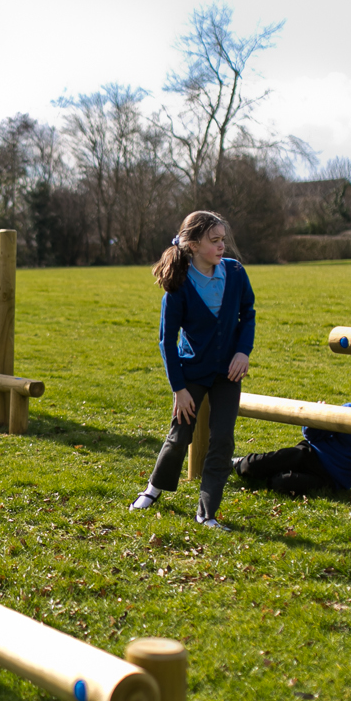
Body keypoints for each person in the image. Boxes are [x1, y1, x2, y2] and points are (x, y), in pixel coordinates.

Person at [129, 211, 255, 530]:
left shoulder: (236, 273)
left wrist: (243, 351)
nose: (222, 246)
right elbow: (166, 340)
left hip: (229, 373)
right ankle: (153, 490)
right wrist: (179, 388)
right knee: (180, 433)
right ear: (194, 244)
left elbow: (247, 314)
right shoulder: (179, 285)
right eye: (215, 241)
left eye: (223, 239)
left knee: (223, 439)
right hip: (191, 373)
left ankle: (207, 512)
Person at [235, 382, 351, 496]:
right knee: (252, 466)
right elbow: (312, 436)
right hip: (310, 454)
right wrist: (317, 419)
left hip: (332, 479)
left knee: (282, 483)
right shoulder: (350, 412)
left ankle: (269, 476)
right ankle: (237, 463)